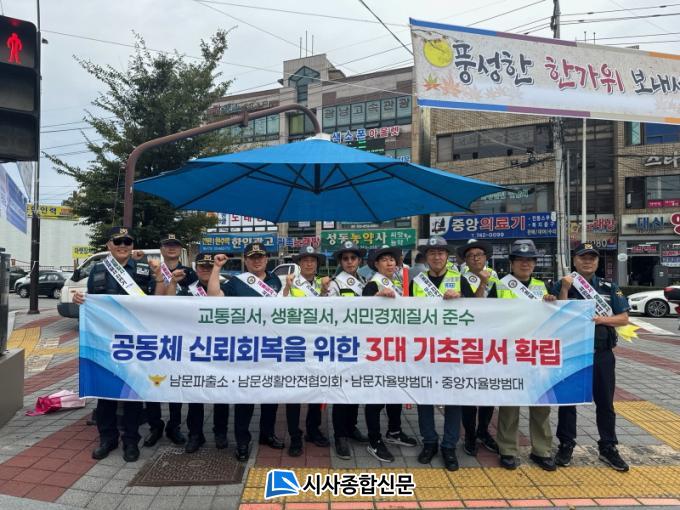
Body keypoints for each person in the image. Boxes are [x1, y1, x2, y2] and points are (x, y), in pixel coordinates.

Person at [73, 227, 154, 463]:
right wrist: (80, 300)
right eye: (118, 241)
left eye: (127, 241)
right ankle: (107, 439)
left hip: (134, 342)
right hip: (105, 342)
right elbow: (89, 301)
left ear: (132, 245)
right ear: (109, 244)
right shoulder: (98, 269)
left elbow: (156, 302)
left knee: (132, 394)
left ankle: (131, 441)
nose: (123, 245)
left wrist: (160, 277)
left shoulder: (143, 269)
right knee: (106, 392)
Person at [552, 242, 630, 472]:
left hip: (602, 354)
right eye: (583, 257)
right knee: (569, 401)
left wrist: (600, 319)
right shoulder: (563, 283)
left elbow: (623, 318)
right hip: (572, 353)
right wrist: (565, 289)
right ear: (574, 260)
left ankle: (608, 446)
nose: (588, 261)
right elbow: (556, 315)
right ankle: (566, 444)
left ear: (597, 261)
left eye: (592, 258)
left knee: (605, 402)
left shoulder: (609, 286)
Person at [410, 236, 477, 471]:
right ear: (426, 257)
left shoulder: (460, 280)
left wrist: (461, 299)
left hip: (453, 349)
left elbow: (476, 312)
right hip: (424, 349)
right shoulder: (416, 282)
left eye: (441, 253)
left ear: (447, 256)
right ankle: (429, 442)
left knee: (453, 398)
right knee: (424, 398)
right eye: (432, 253)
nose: (437, 257)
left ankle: (449, 446)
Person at [212, 243, 283, 462]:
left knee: (271, 396)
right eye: (252, 257)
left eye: (260, 256)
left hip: (270, 346)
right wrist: (216, 268)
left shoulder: (276, 280)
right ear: (245, 260)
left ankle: (267, 434)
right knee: (245, 397)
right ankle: (242, 440)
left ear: (267, 258)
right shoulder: (236, 282)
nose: (257, 260)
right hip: (245, 347)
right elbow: (214, 297)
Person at [495, 240, 556, 471]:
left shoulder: (543, 286)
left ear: (534, 263)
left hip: (537, 354)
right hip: (509, 354)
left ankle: (542, 450)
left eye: (529, 260)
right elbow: (486, 316)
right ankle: (507, 449)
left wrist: (553, 302)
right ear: (511, 263)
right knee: (509, 405)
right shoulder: (499, 286)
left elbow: (554, 320)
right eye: (520, 260)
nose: (525, 264)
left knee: (540, 405)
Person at [166, 252, 229, 454]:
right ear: (196, 269)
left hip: (220, 348)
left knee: (221, 393)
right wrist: (172, 283)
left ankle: (220, 432)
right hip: (195, 349)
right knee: (195, 394)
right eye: (202, 266)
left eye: (210, 266)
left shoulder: (227, 287)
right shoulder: (188, 290)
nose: (206, 270)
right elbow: (167, 306)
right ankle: (195, 434)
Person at [361, 245, 418, 463]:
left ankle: (394, 431)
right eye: (384, 260)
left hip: (398, 348)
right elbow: (363, 315)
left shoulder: (400, 284)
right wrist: (376, 297)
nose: (389, 263)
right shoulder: (373, 285)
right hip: (378, 351)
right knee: (376, 397)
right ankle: (374, 440)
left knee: (396, 392)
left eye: (392, 259)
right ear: (376, 264)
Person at [143, 234, 197, 449]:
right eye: (167, 245)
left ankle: (174, 426)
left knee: (176, 382)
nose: (171, 248)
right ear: (161, 248)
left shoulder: (190, 273)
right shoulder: (150, 270)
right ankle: (155, 426)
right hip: (154, 334)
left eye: (175, 245)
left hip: (180, 335)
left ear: (180, 249)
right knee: (153, 383)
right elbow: (145, 301)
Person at [280, 246, 331, 457]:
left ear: (317, 264)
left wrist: (325, 292)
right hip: (296, 345)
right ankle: (294, 435)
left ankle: (313, 430)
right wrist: (286, 288)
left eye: (313, 260)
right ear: (299, 264)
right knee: (294, 392)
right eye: (305, 260)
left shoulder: (324, 283)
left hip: (318, 345)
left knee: (316, 390)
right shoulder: (291, 283)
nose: (309, 263)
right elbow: (279, 308)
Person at [326, 241, 370, 459]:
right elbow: (331, 312)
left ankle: (351, 427)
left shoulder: (366, 281)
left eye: (353, 258)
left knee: (355, 389)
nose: (350, 262)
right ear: (340, 262)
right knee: (341, 392)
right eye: (345, 259)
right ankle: (340, 435)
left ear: (359, 261)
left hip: (361, 344)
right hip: (342, 343)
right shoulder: (334, 284)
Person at [456, 239, 500, 457]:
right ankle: (470, 435)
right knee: (469, 392)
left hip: (492, 342)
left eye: (479, 255)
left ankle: (484, 430)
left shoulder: (497, 278)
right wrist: (482, 283)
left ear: (486, 258)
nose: (475, 258)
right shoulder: (459, 278)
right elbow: (472, 307)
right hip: (468, 342)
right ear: (465, 260)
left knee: (488, 390)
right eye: (471, 256)